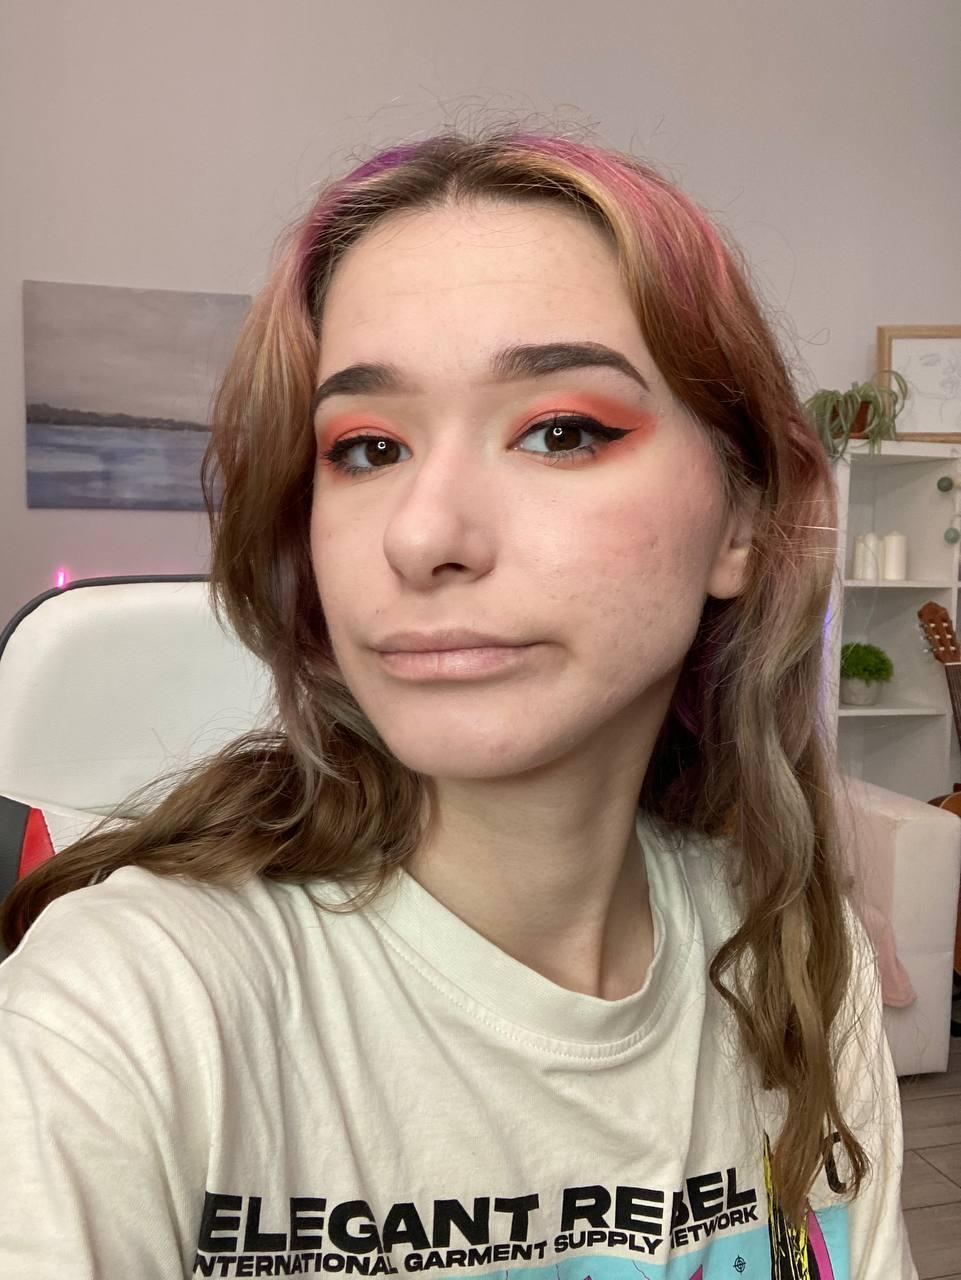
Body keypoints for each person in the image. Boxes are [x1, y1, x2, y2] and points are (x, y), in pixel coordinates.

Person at [0, 124, 918, 1278]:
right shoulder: (121, 1013)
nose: (422, 532)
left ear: (744, 517)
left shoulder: (795, 965)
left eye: (559, 431)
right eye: (367, 448)